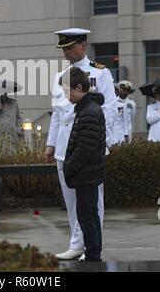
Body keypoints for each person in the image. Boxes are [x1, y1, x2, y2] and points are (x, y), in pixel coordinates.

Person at [45, 28, 117, 260]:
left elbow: (109, 109)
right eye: (63, 48)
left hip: (88, 144)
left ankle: (91, 246)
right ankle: (77, 245)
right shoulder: (61, 76)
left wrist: (103, 142)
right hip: (66, 145)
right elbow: (57, 113)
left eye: (69, 47)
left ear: (83, 45)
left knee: (91, 202)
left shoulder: (100, 72)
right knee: (71, 200)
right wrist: (51, 143)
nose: (66, 52)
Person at [63, 67, 105, 262]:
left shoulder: (88, 111)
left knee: (86, 214)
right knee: (90, 213)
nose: (66, 95)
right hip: (88, 172)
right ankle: (93, 251)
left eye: (67, 91)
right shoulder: (86, 108)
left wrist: (68, 167)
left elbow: (85, 148)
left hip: (86, 172)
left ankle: (93, 254)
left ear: (79, 87)